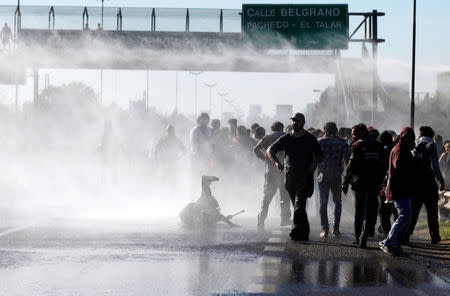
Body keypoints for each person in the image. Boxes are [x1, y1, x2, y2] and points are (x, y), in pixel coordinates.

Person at [267, 113, 323, 242]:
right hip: (290, 177)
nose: (294, 123)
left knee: (299, 205)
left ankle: (296, 230)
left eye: (297, 121)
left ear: (303, 122)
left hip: (305, 177)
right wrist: (276, 162)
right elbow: (270, 150)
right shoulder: (287, 138)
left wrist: (314, 164)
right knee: (298, 207)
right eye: (293, 121)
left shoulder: (309, 138)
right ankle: (303, 233)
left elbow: (320, 155)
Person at [342, 123, 385, 248]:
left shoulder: (356, 145)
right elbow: (383, 166)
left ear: (361, 133)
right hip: (374, 183)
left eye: (354, 133)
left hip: (359, 183)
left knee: (359, 212)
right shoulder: (378, 145)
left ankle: (359, 237)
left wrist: (345, 183)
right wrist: (381, 182)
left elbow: (351, 166)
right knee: (370, 210)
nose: (353, 136)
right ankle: (364, 234)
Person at [379, 127, 418, 256]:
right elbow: (400, 169)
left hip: (400, 189)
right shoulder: (400, 151)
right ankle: (388, 242)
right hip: (400, 189)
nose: (412, 142)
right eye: (410, 139)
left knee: (404, 217)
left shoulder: (401, 149)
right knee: (404, 216)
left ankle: (395, 244)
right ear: (405, 139)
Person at [407, 126, 445, 244]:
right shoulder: (431, 144)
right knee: (432, 212)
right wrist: (441, 181)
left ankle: (406, 234)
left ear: (422, 133)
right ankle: (434, 237)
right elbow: (434, 165)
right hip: (428, 182)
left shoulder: (415, 144)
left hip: (416, 183)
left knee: (413, 211)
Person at [254, 121, 291, 229]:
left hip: (270, 172)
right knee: (285, 197)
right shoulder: (286, 137)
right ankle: (284, 219)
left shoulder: (267, 137)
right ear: (282, 128)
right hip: (284, 172)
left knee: (267, 198)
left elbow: (255, 149)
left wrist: (264, 159)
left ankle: (261, 220)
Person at [317, 122, 350, 238]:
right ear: (336, 130)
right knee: (337, 202)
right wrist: (347, 176)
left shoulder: (319, 141)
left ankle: (324, 229)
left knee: (323, 203)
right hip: (336, 176)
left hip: (322, 176)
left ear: (325, 131)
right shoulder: (342, 142)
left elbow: (314, 159)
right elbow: (347, 160)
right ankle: (336, 228)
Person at [377, 130, 398, 236]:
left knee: (384, 211)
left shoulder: (381, 151)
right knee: (395, 210)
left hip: (385, 183)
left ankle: (387, 233)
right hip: (396, 182)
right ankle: (396, 233)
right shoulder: (396, 149)